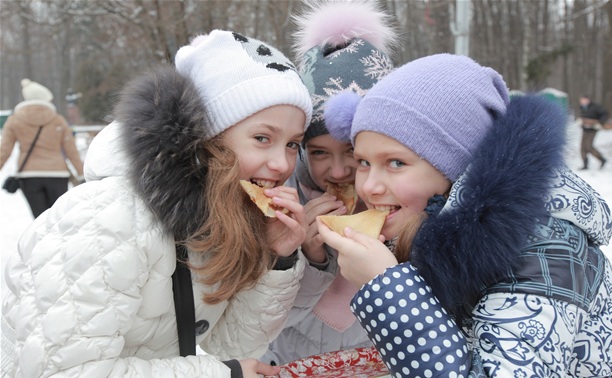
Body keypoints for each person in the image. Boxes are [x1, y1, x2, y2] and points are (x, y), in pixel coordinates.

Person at [2, 30, 314, 378]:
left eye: (292, 144)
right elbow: (63, 372)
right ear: (208, 135)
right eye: (262, 138)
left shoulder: (220, 214)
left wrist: (276, 259)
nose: (282, 164)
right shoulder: (110, 218)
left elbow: (228, 350)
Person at [317, 54, 612, 376]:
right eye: (363, 162)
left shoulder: (546, 248)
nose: (369, 186)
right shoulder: (436, 225)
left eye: (396, 163)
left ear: (457, 166)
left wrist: (387, 289)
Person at [262, 0, 397, 365]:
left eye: (352, 151)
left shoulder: (404, 202)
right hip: (292, 361)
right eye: (319, 152)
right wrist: (308, 257)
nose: (338, 172)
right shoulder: (278, 198)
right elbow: (259, 324)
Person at [0, 79, 84, 218]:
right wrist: (81, 175)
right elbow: (71, 151)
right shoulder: (58, 120)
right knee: (58, 218)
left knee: (40, 220)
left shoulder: (15, 120)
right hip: (58, 175)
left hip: (29, 176)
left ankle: (42, 239)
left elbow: (4, 151)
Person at [578, 95, 608, 169]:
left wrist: (600, 123)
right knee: (582, 147)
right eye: (581, 100)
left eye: (584, 100)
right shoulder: (583, 107)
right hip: (585, 129)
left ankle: (602, 159)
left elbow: (605, 114)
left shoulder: (595, 107)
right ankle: (585, 164)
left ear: (588, 100)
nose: (583, 102)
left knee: (588, 146)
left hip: (593, 129)